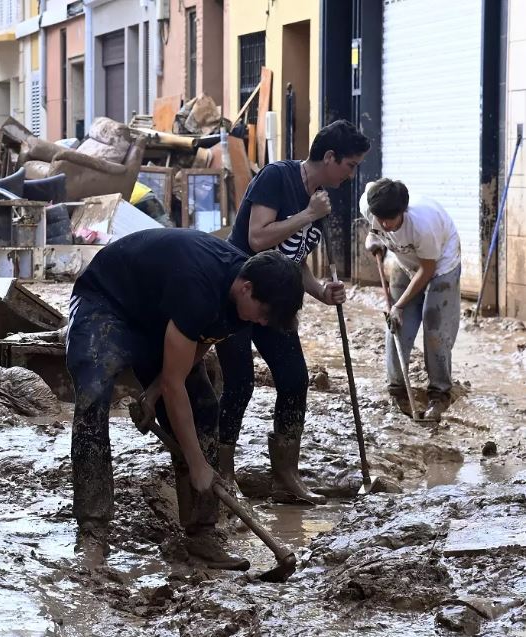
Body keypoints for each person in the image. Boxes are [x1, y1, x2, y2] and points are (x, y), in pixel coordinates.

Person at [66, 228, 305, 569]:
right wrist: (197, 464)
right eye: (264, 313)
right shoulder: (201, 287)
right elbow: (175, 383)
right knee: (93, 392)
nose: (263, 322)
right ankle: (92, 530)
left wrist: (152, 393)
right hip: (108, 301)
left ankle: (201, 534)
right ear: (246, 288)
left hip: (162, 316)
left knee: (205, 407)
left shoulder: (244, 300)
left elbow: (202, 341)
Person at [217, 120, 371, 505]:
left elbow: (294, 257)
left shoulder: (321, 198)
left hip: (278, 300)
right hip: (242, 294)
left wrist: (321, 290)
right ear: (330, 157)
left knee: (295, 377)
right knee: (240, 383)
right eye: (350, 165)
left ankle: (286, 474)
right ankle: (222, 471)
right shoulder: (278, 177)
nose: (352, 175)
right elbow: (257, 237)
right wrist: (307, 214)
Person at [360, 179, 461, 421]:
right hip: (405, 262)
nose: (384, 224)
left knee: (435, 328)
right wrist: (373, 238)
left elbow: (426, 271)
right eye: (379, 219)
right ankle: (397, 391)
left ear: (403, 211)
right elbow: (371, 192)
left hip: (440, 266)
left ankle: (439, 395)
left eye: (390, 219)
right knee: (396, 326)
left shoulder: (423, 225)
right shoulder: (370, 205)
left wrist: (399, 304)